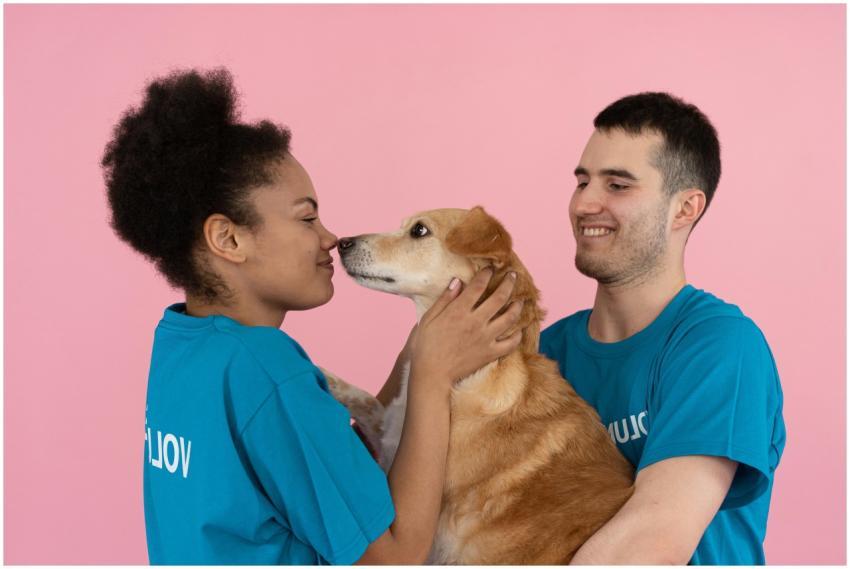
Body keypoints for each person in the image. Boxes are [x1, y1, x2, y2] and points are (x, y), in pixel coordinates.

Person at [101, 68, 522, 564]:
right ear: (229, 239)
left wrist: (415, 355)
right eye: (306, 218)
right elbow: (394, 558)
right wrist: (431, 376)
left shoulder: (180, 346)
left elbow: (329, 473)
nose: (329, 237)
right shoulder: (266, 367)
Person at [538, 92, 786, 564]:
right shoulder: (541, 354)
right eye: (583, 181)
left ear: (685, 208)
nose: (585, 203)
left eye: (618, 185)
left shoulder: (721, 347)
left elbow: (651, 540)